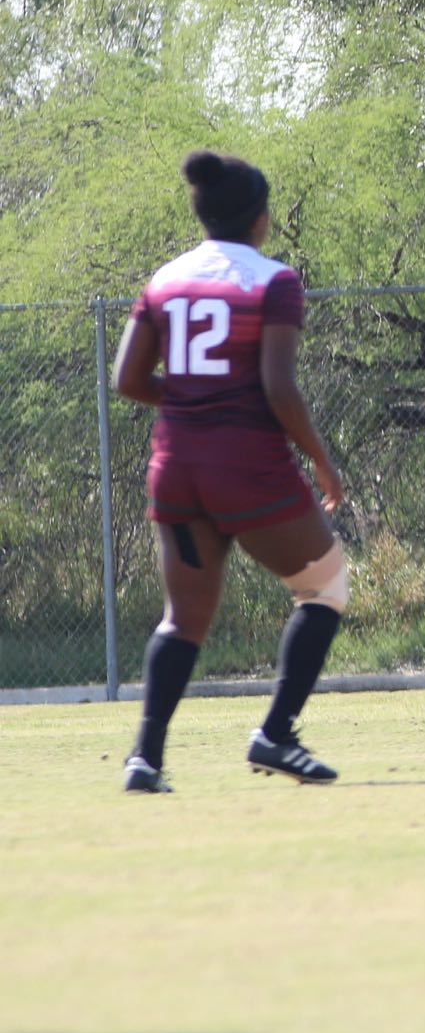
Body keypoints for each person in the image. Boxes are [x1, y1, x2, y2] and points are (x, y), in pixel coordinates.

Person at [110, 151, 350, 793]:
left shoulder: (164, 279)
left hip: (177, 467)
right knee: (324, 587)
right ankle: (275, 734)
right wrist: (324, 461)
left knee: (182, 618)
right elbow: (278, 387)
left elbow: (127, 380)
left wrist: (191, 400)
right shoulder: (274, 281)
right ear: (261, 219)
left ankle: (144, 758)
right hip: (246, 467)